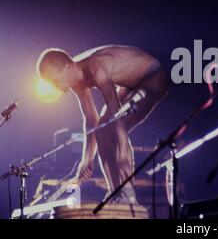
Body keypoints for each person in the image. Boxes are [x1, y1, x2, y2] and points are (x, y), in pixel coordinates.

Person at [36, 45, 169, 204]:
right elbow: (91, 118)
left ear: (67, 67)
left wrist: (124, 157)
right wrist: (87, 159)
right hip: (130, 84)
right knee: (101, 132)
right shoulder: (74, 78)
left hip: (153, 76)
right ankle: (114, 193)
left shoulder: (97, 69)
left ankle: (128, 194)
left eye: (55, 80)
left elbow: (118, 118)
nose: (56, 87)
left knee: (115, 130)